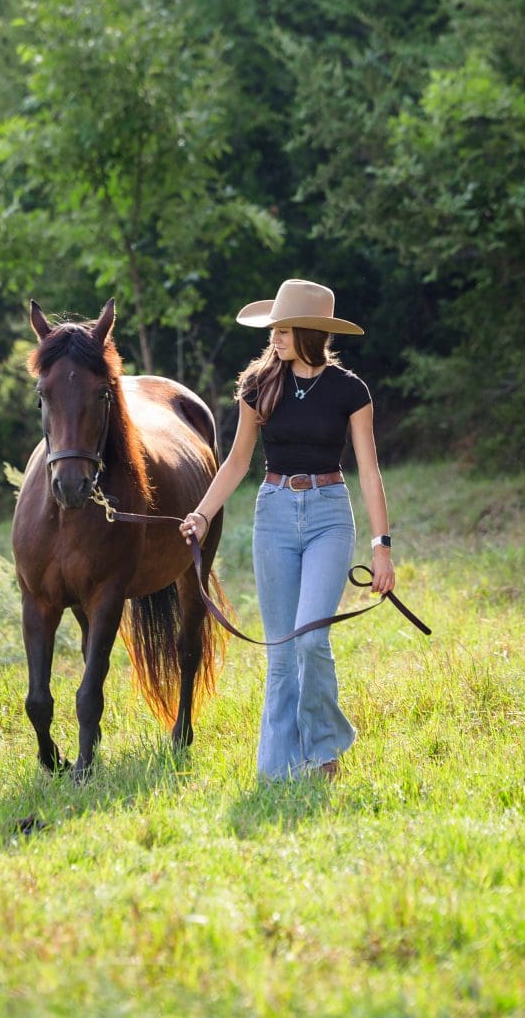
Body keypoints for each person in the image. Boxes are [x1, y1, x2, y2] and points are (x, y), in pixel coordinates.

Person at [180, 279, 395, 781]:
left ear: (311, 332)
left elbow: (370, 470)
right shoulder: (259, 385)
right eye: (273, 328)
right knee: (280, 651)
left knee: (311, 640)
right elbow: (235, 463)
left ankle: (323, 751)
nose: (274, 336)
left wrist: (381, 547)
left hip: (328, 514)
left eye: (284, 328)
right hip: (274, 513)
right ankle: (278, 773)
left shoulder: (350, 390)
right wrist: (202, 513)